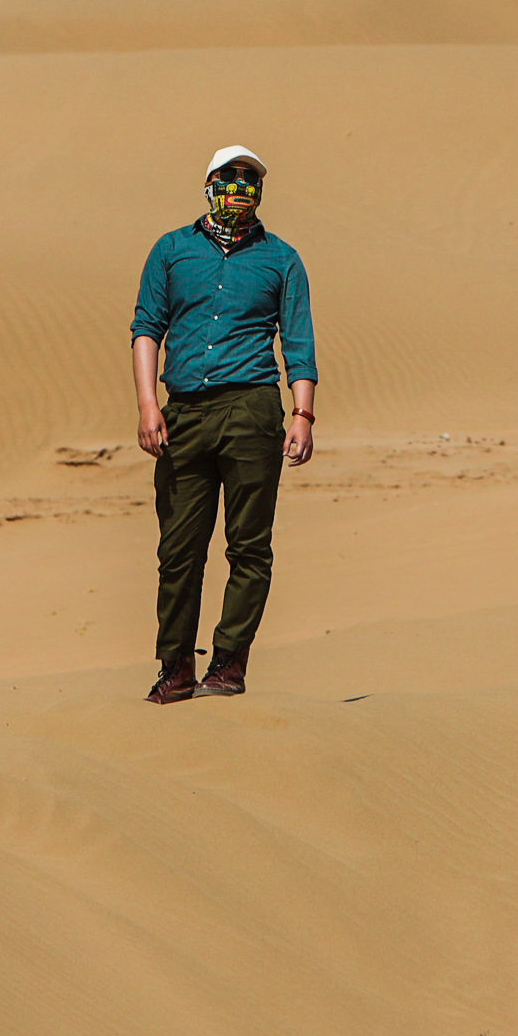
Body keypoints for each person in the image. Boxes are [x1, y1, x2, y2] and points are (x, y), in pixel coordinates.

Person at [131, 144, 317, 703]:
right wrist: (147, 404)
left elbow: (299, 341)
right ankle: (176, 667)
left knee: (249, 547)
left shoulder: (282, 258)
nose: (240, 187)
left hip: (252, 410)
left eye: (250, 179)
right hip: (183, 412)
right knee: (179, 549)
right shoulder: (171, 250)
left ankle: (229, 664)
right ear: (208, 183)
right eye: (229, 177)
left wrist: (302, 413)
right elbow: (147, 327)